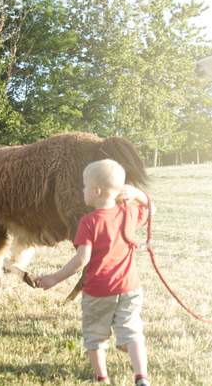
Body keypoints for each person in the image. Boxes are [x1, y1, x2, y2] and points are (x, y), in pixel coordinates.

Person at [37, 159, 152, 386]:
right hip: (130, 287)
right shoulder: (128, 213)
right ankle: (141, 377)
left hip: (99, 292)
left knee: (95, 336)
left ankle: (102, 377)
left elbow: (82, 259)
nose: (82, 190)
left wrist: (54, 278)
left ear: (97, 191)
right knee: (132, 330)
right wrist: (138, 194)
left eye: (84, 186)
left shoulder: (88, 222)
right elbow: (151, 208)